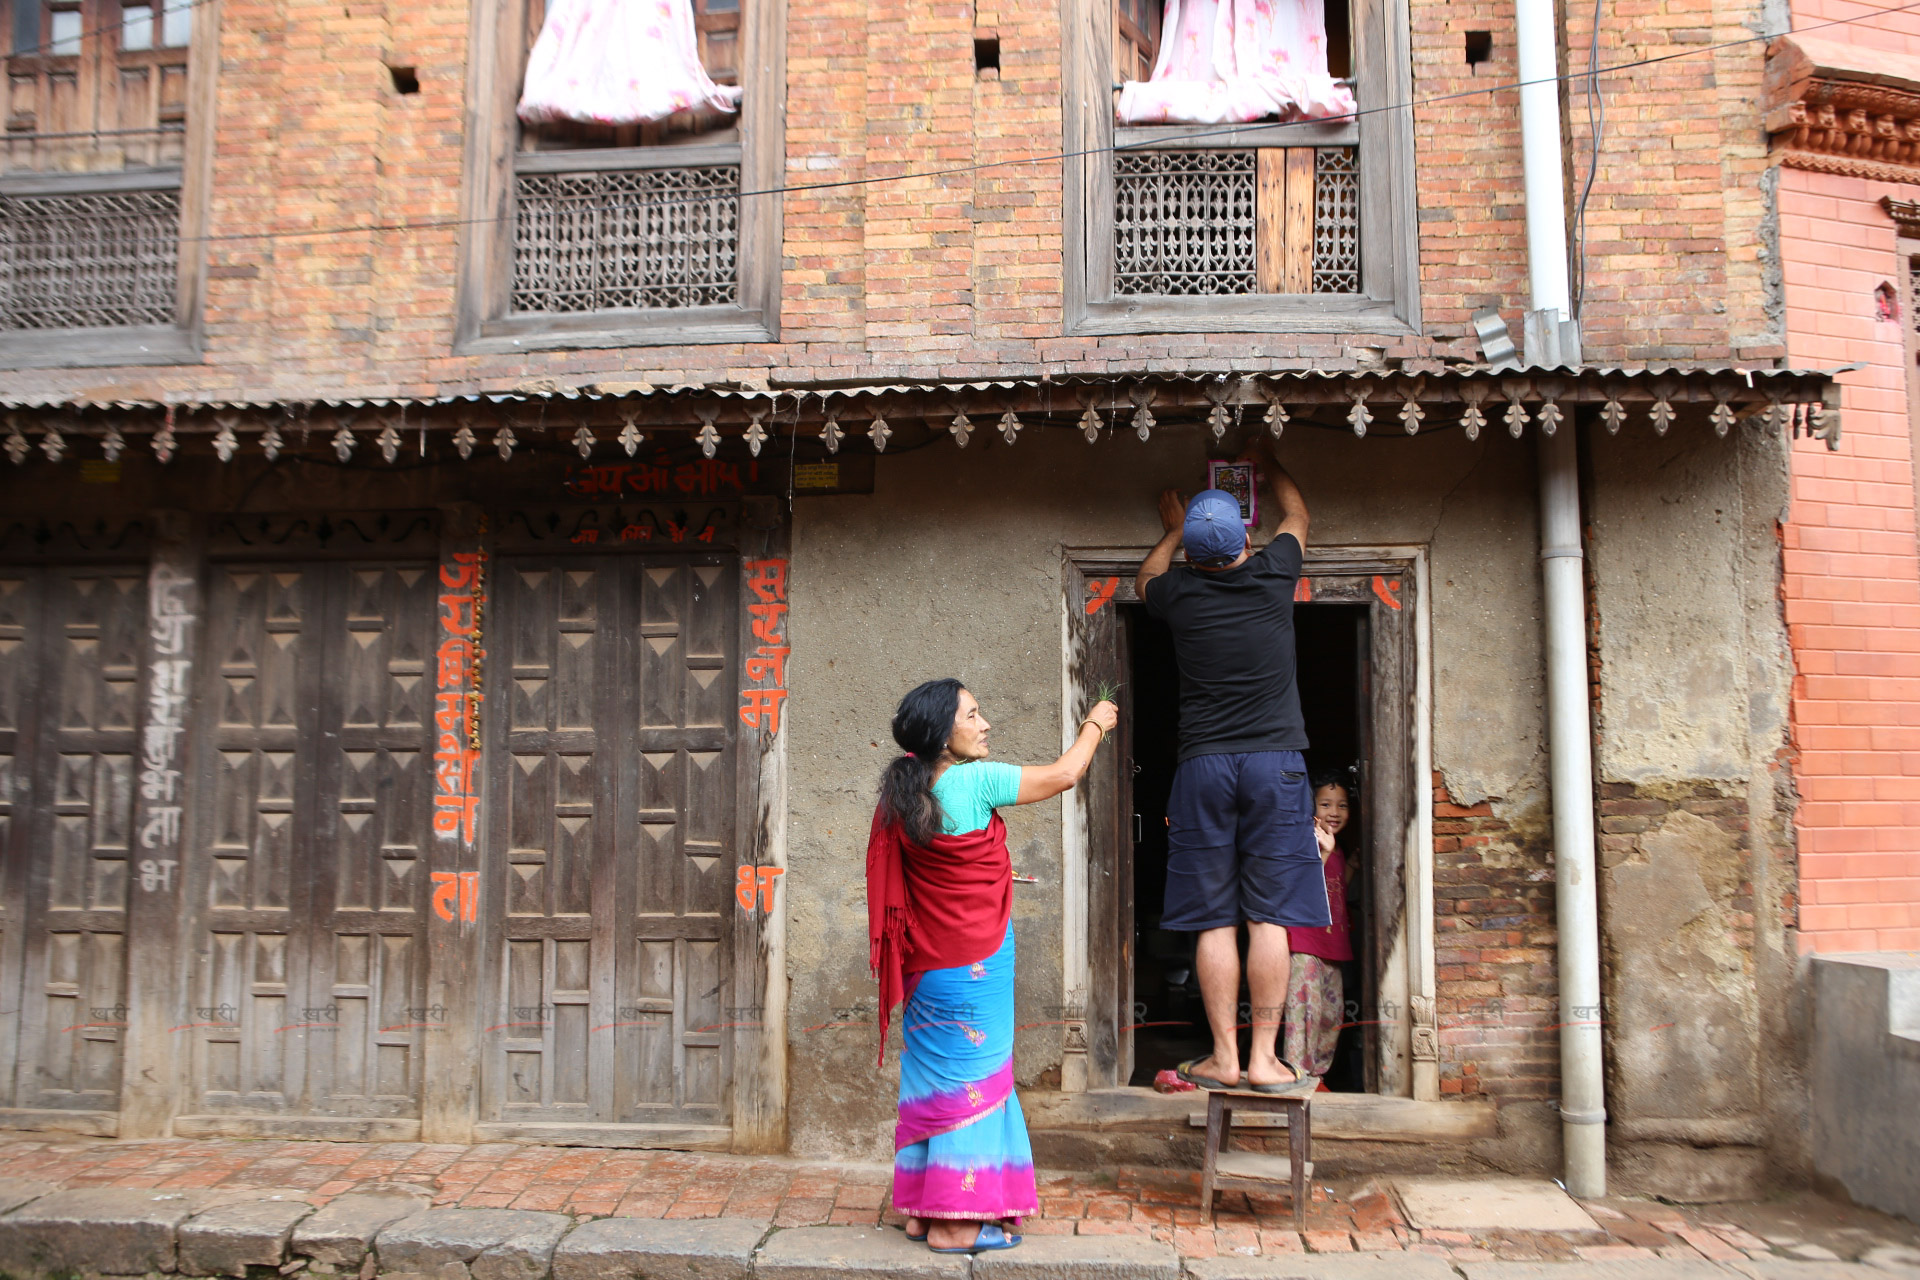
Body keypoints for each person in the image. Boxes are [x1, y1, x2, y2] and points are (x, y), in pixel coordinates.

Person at [867, 678, 1119, 1255]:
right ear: (943, 735)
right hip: (973, 966)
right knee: (974, 1084)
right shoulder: (973, 779)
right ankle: (956, 1225)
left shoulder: (905, 794)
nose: (985, 725)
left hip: (928, 973)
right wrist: (1096, 725)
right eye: (973, 716)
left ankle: (922, 1211)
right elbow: (1064, 774)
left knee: (937, 1078)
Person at [1136, 447, 1328, 1095]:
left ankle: (1222, 1055)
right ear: (1247, 538)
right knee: (1268, 917)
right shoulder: (1275, 572)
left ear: (1193, 553)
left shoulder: (1179, 594)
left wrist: (1169, 528)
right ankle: (1266, 1060)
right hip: (1276, 764)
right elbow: (1299, 512)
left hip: (1204, 767)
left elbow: (1144, 582)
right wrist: (1271, 463)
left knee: (1214, 919)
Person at [1285, 775, 1357, 1086]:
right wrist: (1323, 852)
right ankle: (1297, 1075)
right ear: (1311, 808)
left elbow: (1336, 890)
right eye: (1325, 804)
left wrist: (1349, 864)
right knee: (1304, 1015)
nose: (1334, 811)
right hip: (1304, 945)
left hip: (1333, 947)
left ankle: (1318, 1076)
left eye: (1342, 805)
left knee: (1331, 1016)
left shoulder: (1337, 848)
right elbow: (1297, 889)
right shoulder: (1305, 841)